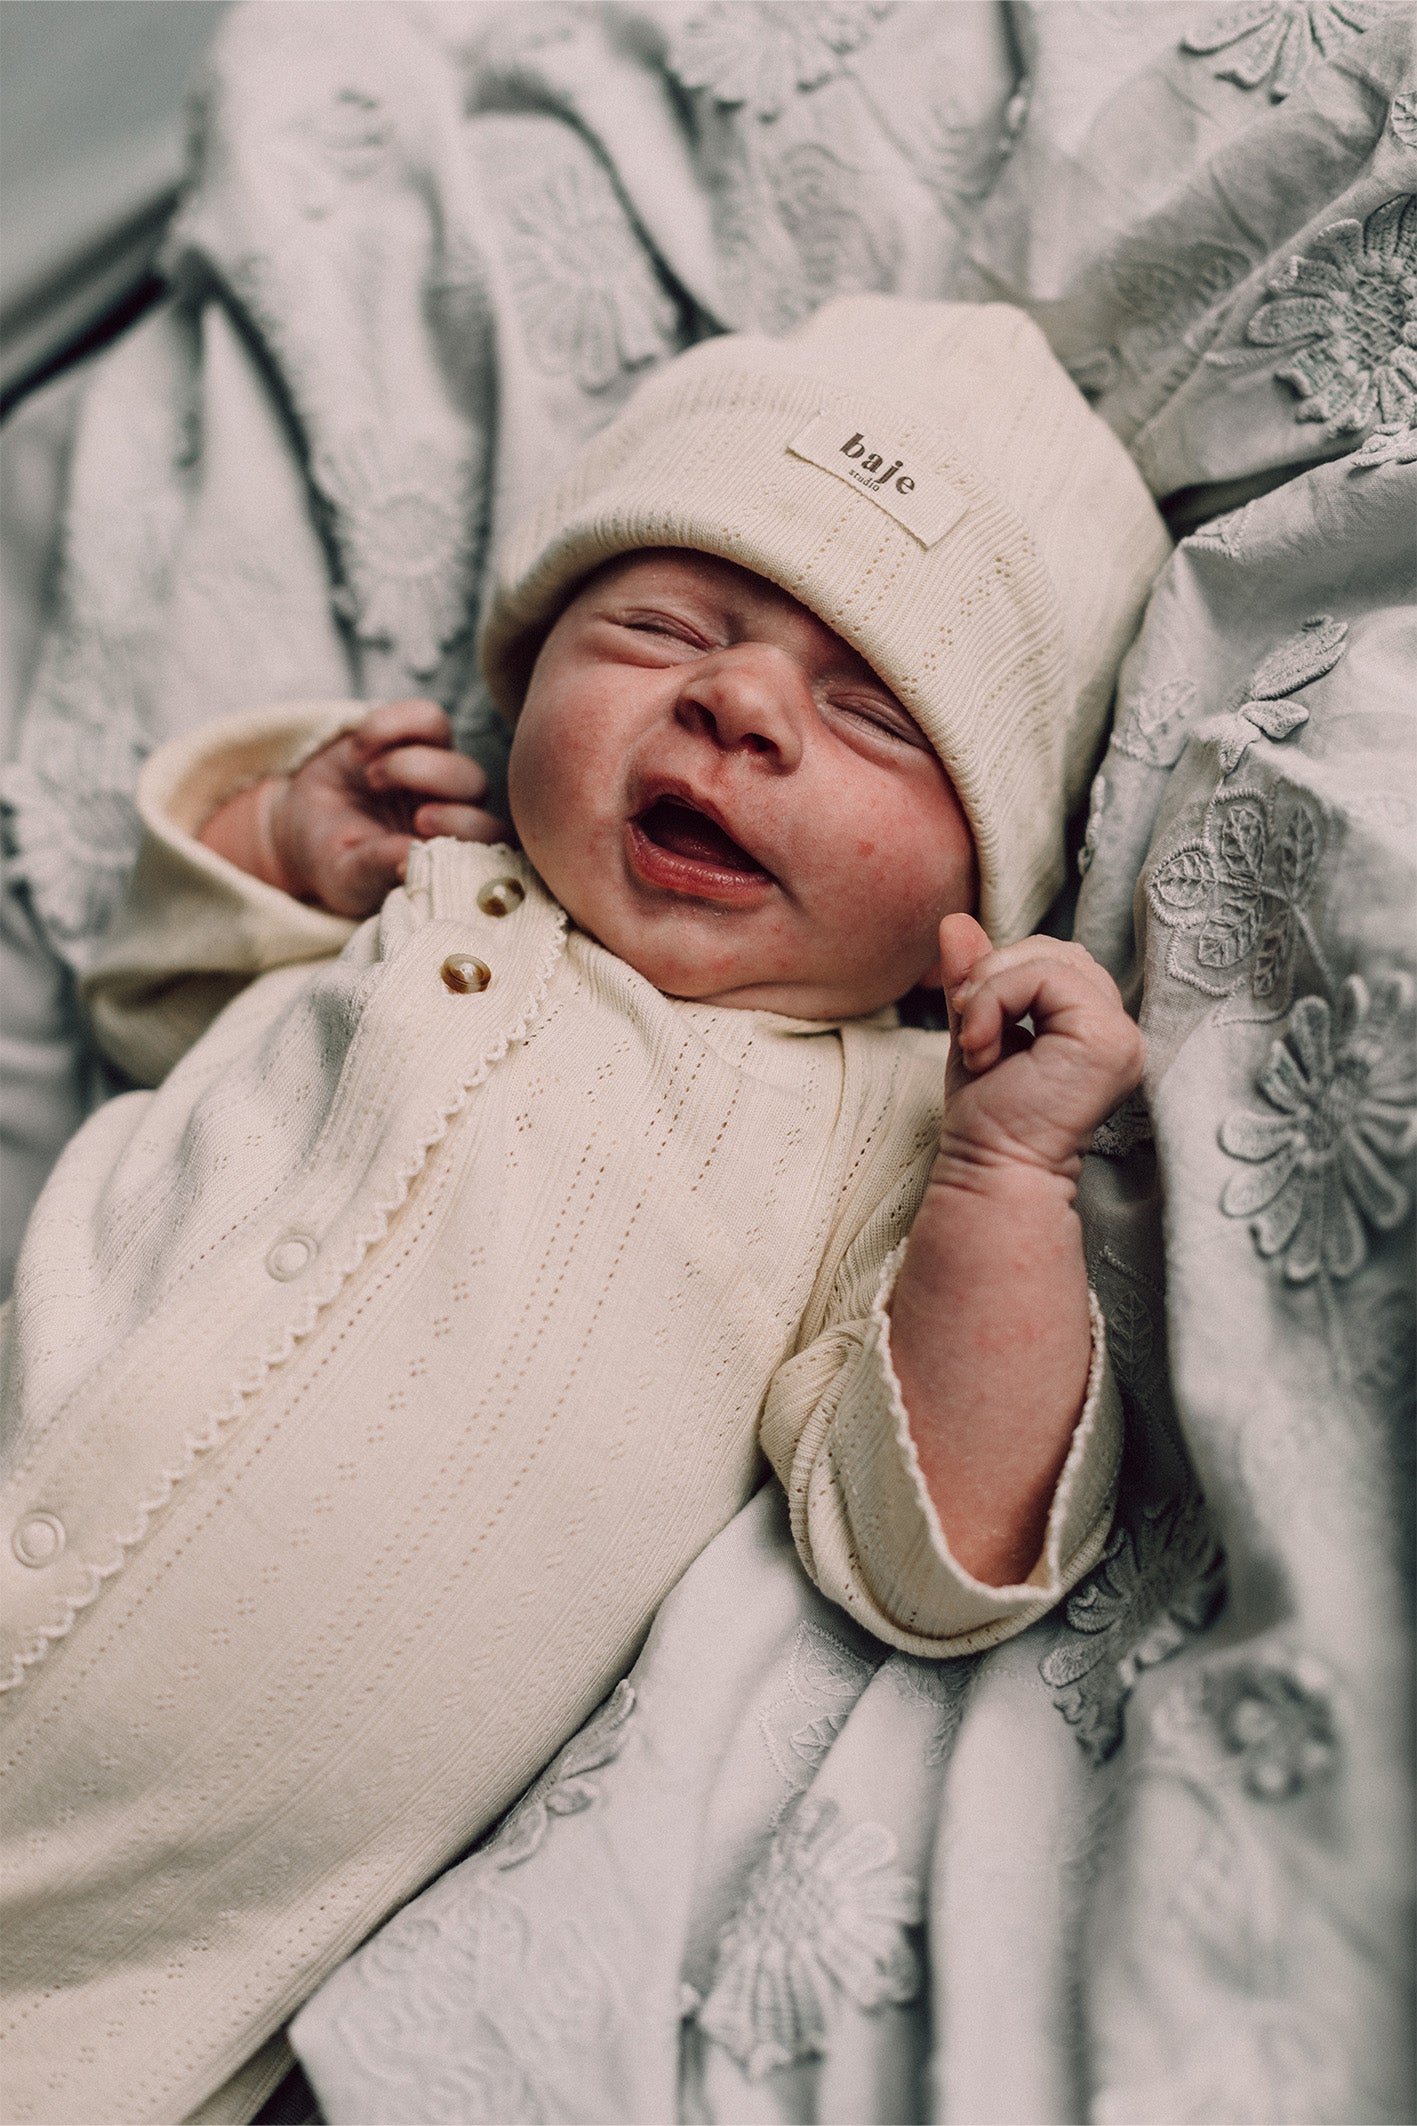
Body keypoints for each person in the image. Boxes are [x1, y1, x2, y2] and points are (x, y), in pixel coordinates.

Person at [0, 297, 1170, 2126]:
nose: (737, 702)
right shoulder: (434, 889)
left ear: (987, 878)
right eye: (661, 628)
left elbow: (935, 1542)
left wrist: (1006, 1177)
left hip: (119, 1982)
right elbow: (154, 1000)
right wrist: (282, 844)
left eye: (869, 711)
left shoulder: (882, 1134)